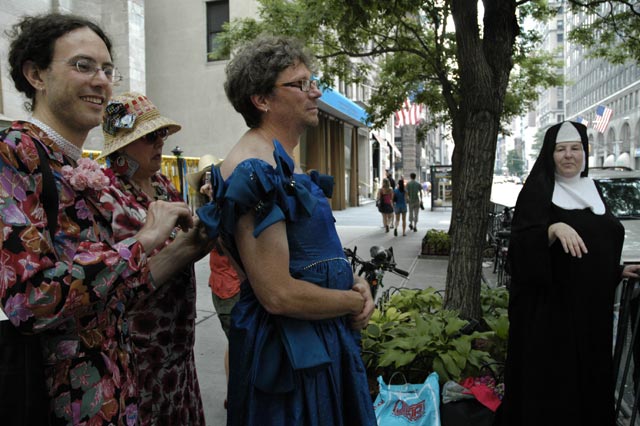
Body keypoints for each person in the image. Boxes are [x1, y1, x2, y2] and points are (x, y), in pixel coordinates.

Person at [0, 13, 209, 425]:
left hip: (120, 391)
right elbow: (30, 300)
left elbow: (115, 295)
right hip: (62, 401)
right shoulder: (14, 153)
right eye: (82, 65)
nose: (101, 80)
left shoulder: (72, 164)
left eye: (107, 69)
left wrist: (195, 241)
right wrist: (143, 241)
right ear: (35, 74)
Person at [197, 35, 376, 425]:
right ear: (261, 99)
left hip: (317, 339)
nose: (314, 93)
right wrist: (351, 301)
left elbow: (310, 255)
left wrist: (354, 286)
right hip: (290, 357)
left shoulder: (279, 162)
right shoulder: (253, 169)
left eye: (315, 82)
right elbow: (277, 293)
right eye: (300, 84)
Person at [498, 121, 640, 426]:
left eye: (575, 148)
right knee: (555, 391)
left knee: (588, 386)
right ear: (550, 155)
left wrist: (617, 271)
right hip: (551, 318)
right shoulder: (538, 192)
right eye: (560, 149)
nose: (568, 155)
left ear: (585, 152)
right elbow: (520, 252)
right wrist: (551, 229)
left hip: (591, 317)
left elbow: (593, 247)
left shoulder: (594, 190)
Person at [97, 92, 206, 425]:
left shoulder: (161, 184)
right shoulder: (104, 193)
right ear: (122, 145)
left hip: (179, 346)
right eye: (149, 136)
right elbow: (118, 274)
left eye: (162, 134)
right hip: (141, 355)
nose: (160, 142)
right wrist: (188, 245)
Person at [188, 155, 242, 409]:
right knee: (239, 345)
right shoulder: (206, 214)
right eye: (207, 178)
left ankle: (235, 393)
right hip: (227, 290)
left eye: (215, 176)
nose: (213, 182)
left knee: (238, 345)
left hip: (238, 286)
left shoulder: (230, 205)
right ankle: (237, 395)